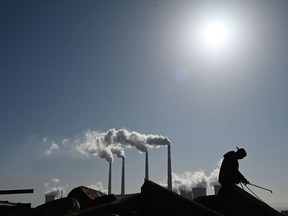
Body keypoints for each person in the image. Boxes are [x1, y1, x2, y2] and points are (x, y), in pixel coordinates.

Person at [218, 147, 249, 215]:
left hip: (225, 179)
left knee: (225, 193)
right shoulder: (233, 159)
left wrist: (241, 179)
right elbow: (234, 171)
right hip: (227, 180)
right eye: (242, 157)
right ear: (240, 154)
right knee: (232, 197)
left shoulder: (231, 157)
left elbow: (234, 171)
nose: (242, 158)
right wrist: (243, 179)